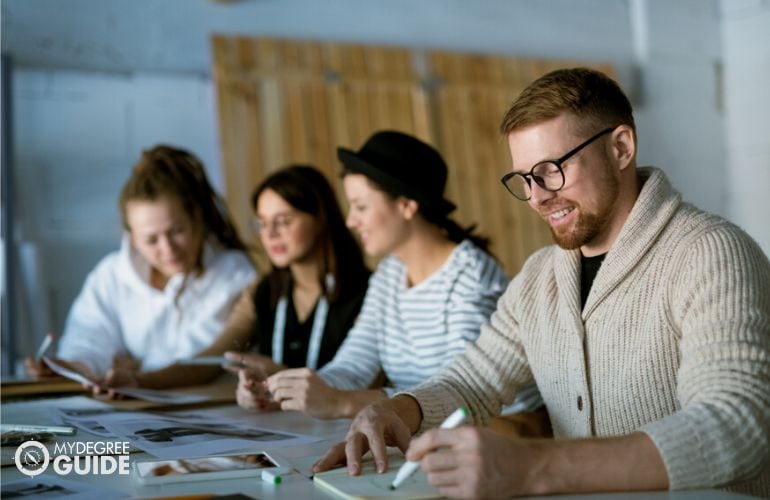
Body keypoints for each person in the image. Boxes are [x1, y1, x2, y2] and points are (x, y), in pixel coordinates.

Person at [313, 68, 770, 497]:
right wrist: (398, 410)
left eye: (552, 169)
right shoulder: (540, 275)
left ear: (621, 148)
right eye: (525, 178)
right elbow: (474, 382)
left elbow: (737, 423)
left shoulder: (710, 252)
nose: (536, 197)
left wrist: (531, 466)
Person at [254, 130, 543, 420]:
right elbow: (354, 366)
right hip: (427, 434)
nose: (350, 221)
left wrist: (342, 402)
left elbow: (458, 393)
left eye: (361, 206)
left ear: (406, 205)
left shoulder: (471, 276)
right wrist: (282, 389)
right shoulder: (389, 274)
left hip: (504, 436)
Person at [105, 165, 371, 393]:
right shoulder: (263, 290)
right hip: (283, 431)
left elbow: (365, 380)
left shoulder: (368, 292)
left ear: (321, 219)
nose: (270, 234)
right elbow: (213, 359)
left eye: (284, 221)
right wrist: (139, 381)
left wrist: (282, 376)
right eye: (263, 223)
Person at [25, 145, 256, 392]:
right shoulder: (112, 275)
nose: (168, 249)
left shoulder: (234, 274)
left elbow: (201, 360)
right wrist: (73, 367)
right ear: (132, 238)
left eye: (176, 232)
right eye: (151, 240)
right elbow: (89, 337)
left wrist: (134, 369)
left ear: (196, 219)